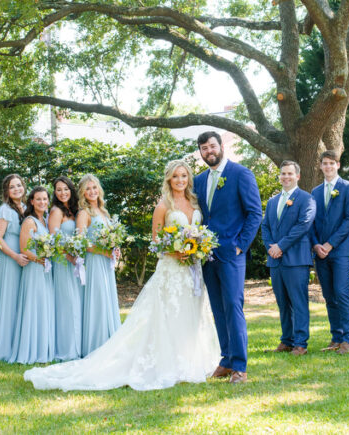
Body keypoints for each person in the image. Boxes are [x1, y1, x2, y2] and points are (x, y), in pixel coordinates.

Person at [25, 159, 220, 391]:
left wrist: (198, 247)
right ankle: (168, 362)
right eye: (175, 176)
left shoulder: (195, 202)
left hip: (192, 269)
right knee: (168, 315)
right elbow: (156, 241)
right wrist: (176, 251)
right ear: (169, 179)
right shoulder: (163, 205)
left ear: (188, 178)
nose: (180, 180)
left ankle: (191, 359)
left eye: (184, 176)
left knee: (191, 312)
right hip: (171, 268)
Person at [193, 131, 263, 384]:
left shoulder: (240, 174)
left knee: (233, 307)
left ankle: (240, 367)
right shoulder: (198, 180)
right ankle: (226, 359)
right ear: (200, 152)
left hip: (232, 254)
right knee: (218, 308)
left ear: (221, 146)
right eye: (204, 148)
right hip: (206, 255)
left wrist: (240, 246)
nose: (209, 151)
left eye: (212, 146)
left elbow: (255, 213)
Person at [262, 160, 316, 355]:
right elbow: (265, 226)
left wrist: (281, 246)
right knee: (282, 301)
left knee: (298, 301)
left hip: (296, 259)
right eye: (283, 174)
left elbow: (303, 226)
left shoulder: (306, 199)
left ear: (297, 176)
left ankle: (301, 343)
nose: (286, 177)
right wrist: (271, 248)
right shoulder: (272, 201)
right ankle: (287, 340)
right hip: (275, 260)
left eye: (289, 174)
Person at [310, 151, 349, 354]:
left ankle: (348, 339)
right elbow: (310, 221)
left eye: (332, 163)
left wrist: (330, 244)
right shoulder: (315, 192)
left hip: (341, 251)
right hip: (320, 252)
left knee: (341, 292)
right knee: (329, 295)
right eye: (325, 163)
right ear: (320, 166)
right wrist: (315, 245)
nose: (328, 167)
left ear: (338, 165)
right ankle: (336, 337)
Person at [77, 173, 121, 356]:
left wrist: (115, 247)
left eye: (94, 187)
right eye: (87, 188)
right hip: (94, 263)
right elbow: (80, 243)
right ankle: (96, 346)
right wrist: (103, 251)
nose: (92, 191)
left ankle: (111, 343)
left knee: (108, 301)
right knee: (98, 302)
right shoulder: (84, 213)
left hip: (106, 264)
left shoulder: (104, 212)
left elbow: (111, 238)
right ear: (82, 193)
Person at [11, 186, 55, 364]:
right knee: (34, 307)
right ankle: (31, 349)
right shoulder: (30, 221)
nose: (42, 202)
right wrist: (41, 260)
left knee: (43, 307)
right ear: (31, 201)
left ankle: (42, 347)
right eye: (38, 199)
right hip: (35, 269)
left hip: (45, 269)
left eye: (45, 199)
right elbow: (24, 249)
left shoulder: (44, 220)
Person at [0, 174, 28, 361]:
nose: (16, 189)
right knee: (8, 299)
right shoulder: (4, 210)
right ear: (6, 191)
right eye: (12, 187)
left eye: (18, 185)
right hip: (9, 258)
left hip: (26, 258)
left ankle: (20, 342)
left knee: (21, 300)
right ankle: (5, 347)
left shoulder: (28, 208)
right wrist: (14, 256)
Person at [48, 176, 83, 361]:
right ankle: (67, 348)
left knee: (76, 303)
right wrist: (70, 256)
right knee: (67, 304)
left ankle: (78, 345)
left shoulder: (74, 210)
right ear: (55, 193)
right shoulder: (56, 211)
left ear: (71, 190)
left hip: (75, 263)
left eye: (66, 189)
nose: (63, 193)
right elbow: (54, 241)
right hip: (62, 262)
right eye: (59, 190)